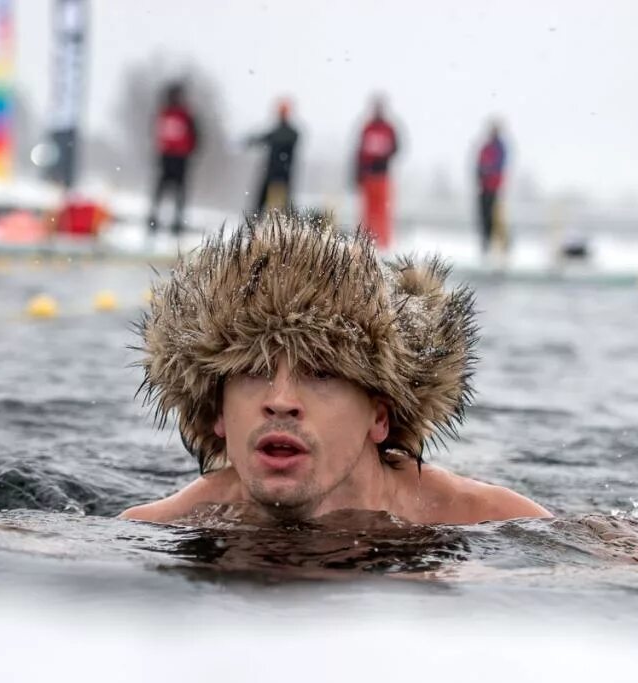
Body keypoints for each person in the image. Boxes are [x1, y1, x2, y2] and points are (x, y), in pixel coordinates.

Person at [121, 211, 551, 526]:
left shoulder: (487, 521)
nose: (281, 402)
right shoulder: (160, 527)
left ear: (379, 417)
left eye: (321, 372)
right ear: (217, 413)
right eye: (254, 370)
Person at [148, 82, 199, 237]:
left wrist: (188, 152)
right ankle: (154, 219)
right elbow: (155, 133)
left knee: (179, 191)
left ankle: (177, 222)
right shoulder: (164, 113)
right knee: (161, 190)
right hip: (166, 157)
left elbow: (195, 135)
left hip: (180, 159)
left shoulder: (186, 115)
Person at [354, 96, 399, 249]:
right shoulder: (367, 128)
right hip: (368, 176)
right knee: (368, 211)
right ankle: (367, 242)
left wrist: (383, 156)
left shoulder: (389, 129)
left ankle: (383, 243)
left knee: (383, 211)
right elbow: (359, 152)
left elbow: (396, 148)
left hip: (382, 176)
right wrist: (358, 173)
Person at [246, 99, 299, 214]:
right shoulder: (278, 131)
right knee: (262, 204)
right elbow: (265, 138)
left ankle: (281, 227)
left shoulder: (290, 133)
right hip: (272, 173)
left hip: (282, 175)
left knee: (282, 207)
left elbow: (273, 137)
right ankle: (255, 224)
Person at [477, 120, 508, 257]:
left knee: (495, 217)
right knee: (484, 216)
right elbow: (479, 165)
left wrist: (487, 171)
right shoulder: (486, 147)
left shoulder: (500, 147)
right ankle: (486, 243)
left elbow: (498, 165)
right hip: (484, 187)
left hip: (494, 187)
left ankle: (502, 244)